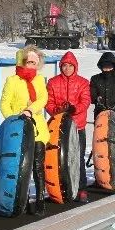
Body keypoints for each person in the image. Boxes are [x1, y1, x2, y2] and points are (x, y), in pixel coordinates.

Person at [0, 45, 50, 215]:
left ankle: (41, 199)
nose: (32, 66)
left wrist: (29, 110)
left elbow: (43, 98)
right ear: (23, 62)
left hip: (36, 129)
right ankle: (23, 199)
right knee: (21, 167)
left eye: (35, 63)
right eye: (29, 62)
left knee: (37, 165)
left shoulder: (40, 80)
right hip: (18, 131)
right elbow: (4, 104)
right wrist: (14, 119)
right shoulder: (12, 80)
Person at [46, 50, 91, 202]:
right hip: (58, 127)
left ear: (75, 67)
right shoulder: (52, 82)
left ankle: (81, 188)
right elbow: (48, 102)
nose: (67, 68)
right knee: (57, 159)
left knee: (77, 158)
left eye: (70, 66)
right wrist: (56, 111)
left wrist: (74, 108)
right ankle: (60, 187)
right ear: (61, 67)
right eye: (64, 66)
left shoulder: (83, 82)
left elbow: (85, 102)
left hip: (77, 126)